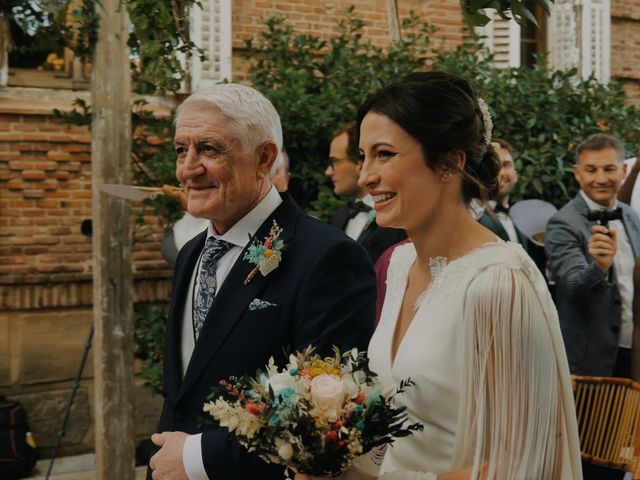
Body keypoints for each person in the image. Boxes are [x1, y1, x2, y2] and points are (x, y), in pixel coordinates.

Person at [300, 71, 582, 480]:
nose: (365, 177)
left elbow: (529, 461)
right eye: (363, 157)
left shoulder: (499, 284)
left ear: (450, 162)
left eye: (384, 154)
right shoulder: (399, 266)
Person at [147, 84, 376, 480]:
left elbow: (325, 420)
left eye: (209, 149)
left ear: (264, 157)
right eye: (181, 150)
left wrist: (197, 457)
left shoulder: (328, 257)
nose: (188, 168)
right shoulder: (191, 254)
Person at [546, 133, 640, 378]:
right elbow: (572, 289)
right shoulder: (562, 223)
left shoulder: (631, 216)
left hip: (635, 355)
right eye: (591, 169)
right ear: (578, 173)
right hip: (592, 364)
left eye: (609, 169)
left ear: (623, 171)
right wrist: (599, 267)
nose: (600, 178)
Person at [327, 122, 406, 263]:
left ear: (359, 163)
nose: (329, 171)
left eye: (335, 162)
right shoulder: (339, 216)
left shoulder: (400, 217)